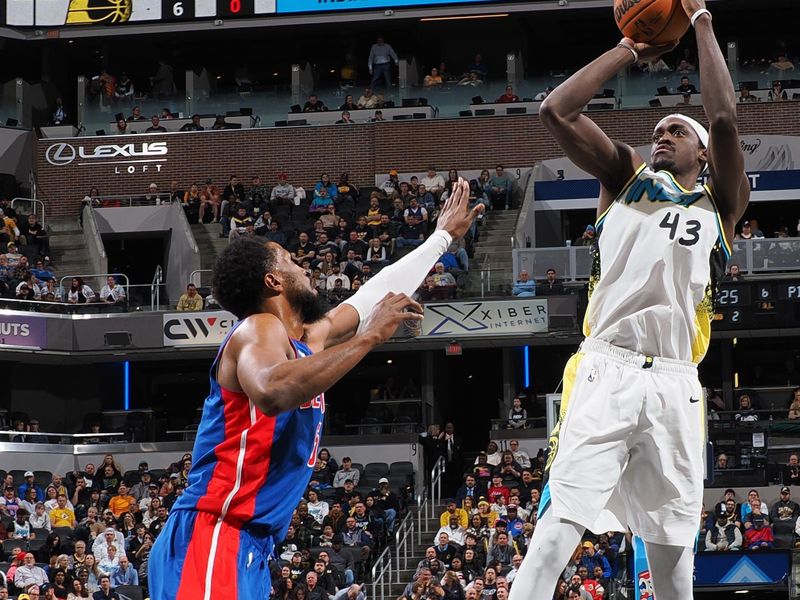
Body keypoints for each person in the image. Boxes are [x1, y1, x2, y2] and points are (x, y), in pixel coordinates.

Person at [507, 3, 749, 600]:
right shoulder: (624, 178)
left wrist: (701, 22)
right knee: (555, 534)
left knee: (672, 564)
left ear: (700, 155)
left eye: (676, 132)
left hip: (675, 383)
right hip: (607, 368)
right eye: (658, 131)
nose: (662, 136)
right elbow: (556, 110)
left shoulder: (722, 203)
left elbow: (723, 120)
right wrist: (628, 51)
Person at [148, 181, 481, 597]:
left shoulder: (306, 339)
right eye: (290, 260)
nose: (303, 264)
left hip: (249, 542)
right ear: (273, 281)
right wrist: (368, 339)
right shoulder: (256, 329)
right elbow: (270, 390)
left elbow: (371, 298)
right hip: (213, 529)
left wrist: (441, 239)